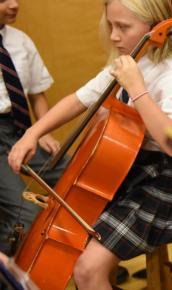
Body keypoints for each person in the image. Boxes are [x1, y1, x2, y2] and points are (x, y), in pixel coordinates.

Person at [7, 0, 172, 289]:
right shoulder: (124, 67)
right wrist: (32, 133)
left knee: (87, 268)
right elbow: (77, 100)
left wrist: (138, 90)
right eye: (111, 25)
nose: (113, 35)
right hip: (123, 178)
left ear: (155, 27)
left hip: (164, 185)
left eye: (123, 27)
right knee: (70, 244)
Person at [0, 0, 66, 256]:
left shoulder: (21, 41)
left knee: (77, 177)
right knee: (27, 213)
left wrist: (43, 132)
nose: (15, 5)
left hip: (22, 130)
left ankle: (89, 263)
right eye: (4, 0)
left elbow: (37, 94)